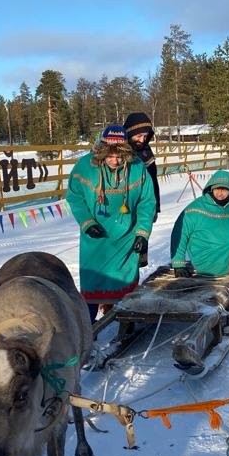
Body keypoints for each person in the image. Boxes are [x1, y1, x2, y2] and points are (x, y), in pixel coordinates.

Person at [67, 125, 157, 322]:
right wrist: (87, 222)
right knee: (93, 283)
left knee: (125, 283)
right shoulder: (84, 166)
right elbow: (74, 197)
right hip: (95, 238)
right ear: (102, 152)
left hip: (127, 236)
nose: (115, 161)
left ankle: (128, 325)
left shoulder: (137, 168)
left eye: (120, 157)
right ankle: (89, 328)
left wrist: (142, 233)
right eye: (110, 156)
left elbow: (147, 202)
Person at [124, 111, 161, 267]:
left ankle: (133, 281)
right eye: (138, 136)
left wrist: (155, 207)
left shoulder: (146, 152)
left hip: (144, 204)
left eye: (145, 136)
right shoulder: (118, 152)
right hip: (123, 205)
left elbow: (153, 179)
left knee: (139, 245)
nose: (142, 140)